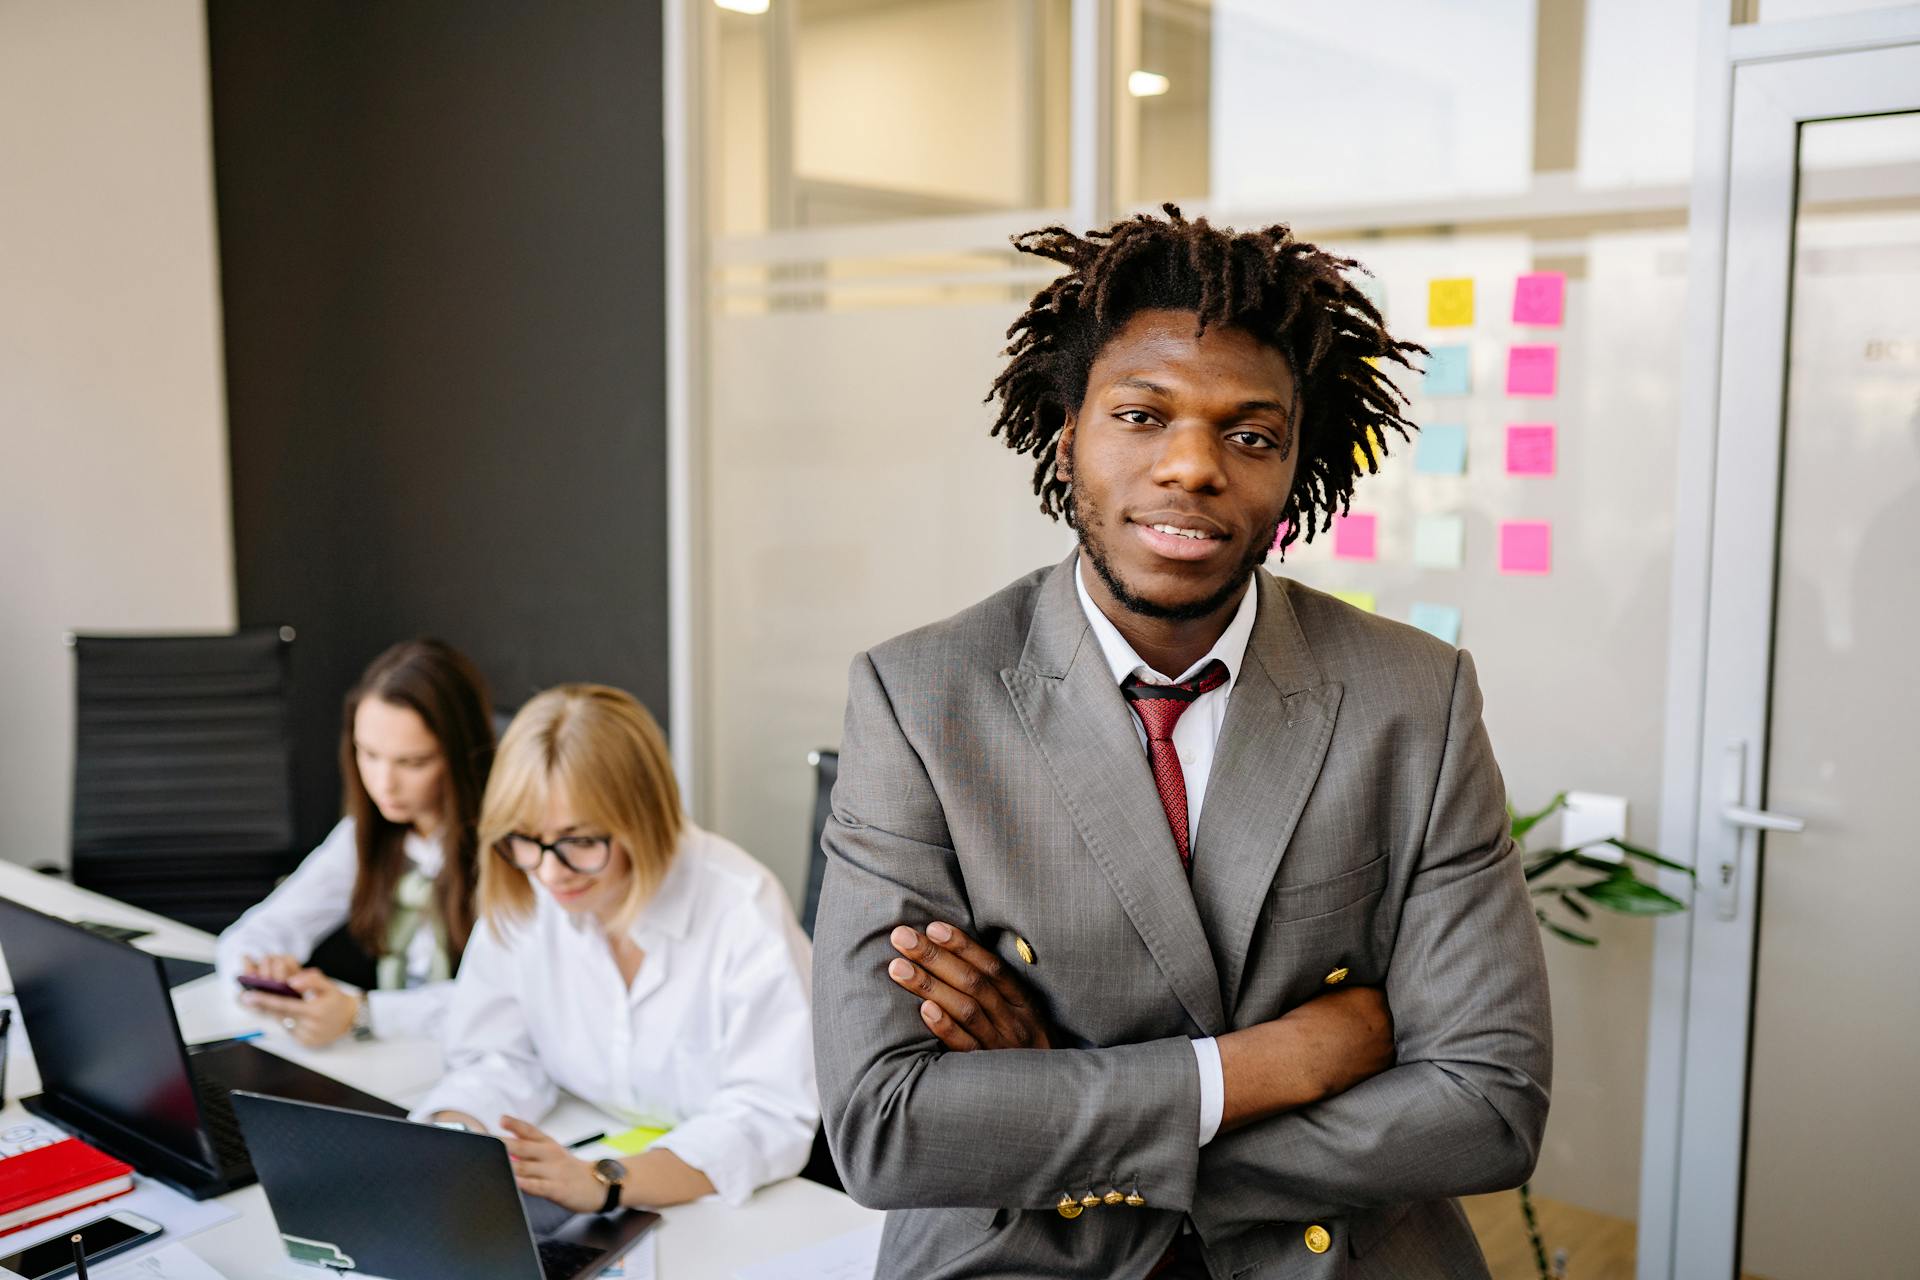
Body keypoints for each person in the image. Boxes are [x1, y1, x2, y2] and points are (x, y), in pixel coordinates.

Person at [812, 207, 1553, 1278]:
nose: (1193, 466)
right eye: (1142, 415)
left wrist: (1056, 1114)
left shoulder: (1412, 695)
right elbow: (886, 1125)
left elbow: (1486, 1103)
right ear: (1068, 437)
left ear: (1296, 470)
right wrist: (1272, 1062)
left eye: (1250, 435)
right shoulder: (922, 698)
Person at [412, 684, 817, 1212]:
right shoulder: (531, 884)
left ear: (644, 819)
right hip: (585, 1162)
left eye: (581, 841)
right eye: (526, 839)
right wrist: (453, 1134)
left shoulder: (741, 907)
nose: (551, 872)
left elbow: (769, 1114)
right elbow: (501, 1057)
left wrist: (606, 1182)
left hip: (728, 1208)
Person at [216, 638, 494, 1046]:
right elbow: (254, 933)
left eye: (412, 763)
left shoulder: (512, 850)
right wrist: (263, 973)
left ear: (462, 753)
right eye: (368, 754)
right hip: (399, 1056)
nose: (384, 784)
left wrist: (360, 1013)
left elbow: (506, 1000)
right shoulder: (366, 832)